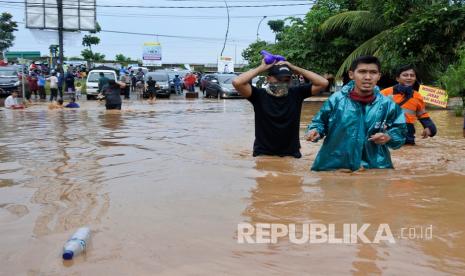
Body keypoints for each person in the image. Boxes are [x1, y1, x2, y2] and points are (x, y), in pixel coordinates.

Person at [306, 55, 407, 171]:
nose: (368, 77)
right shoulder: (336, 100)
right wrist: (315, 131)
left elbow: (400, 132)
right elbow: (319, 122)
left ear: (379, 76)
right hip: (333, 165)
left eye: (373, 72)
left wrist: (389, 137)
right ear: (351, 74)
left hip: (375, 167)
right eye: (362, 72)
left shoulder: (388, 105)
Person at [232, 59, 329, 158]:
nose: (282, 83)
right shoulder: (258, 96)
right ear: (268, 79)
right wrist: (261, 68)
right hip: (263, 154)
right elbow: (237, 82)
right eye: (279, 79)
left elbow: (323, 83)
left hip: (291, 154)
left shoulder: (296, 94)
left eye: (286, 80)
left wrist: (295, 68)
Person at [381, 65, 437, 145]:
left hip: (408, 136)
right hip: (387, 135)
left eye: (412, 75)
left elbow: (423, 115)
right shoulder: (385, 93)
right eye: (405, 75)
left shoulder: (417, 96)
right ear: (397, 78)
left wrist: (429, 128)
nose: (409, 78)